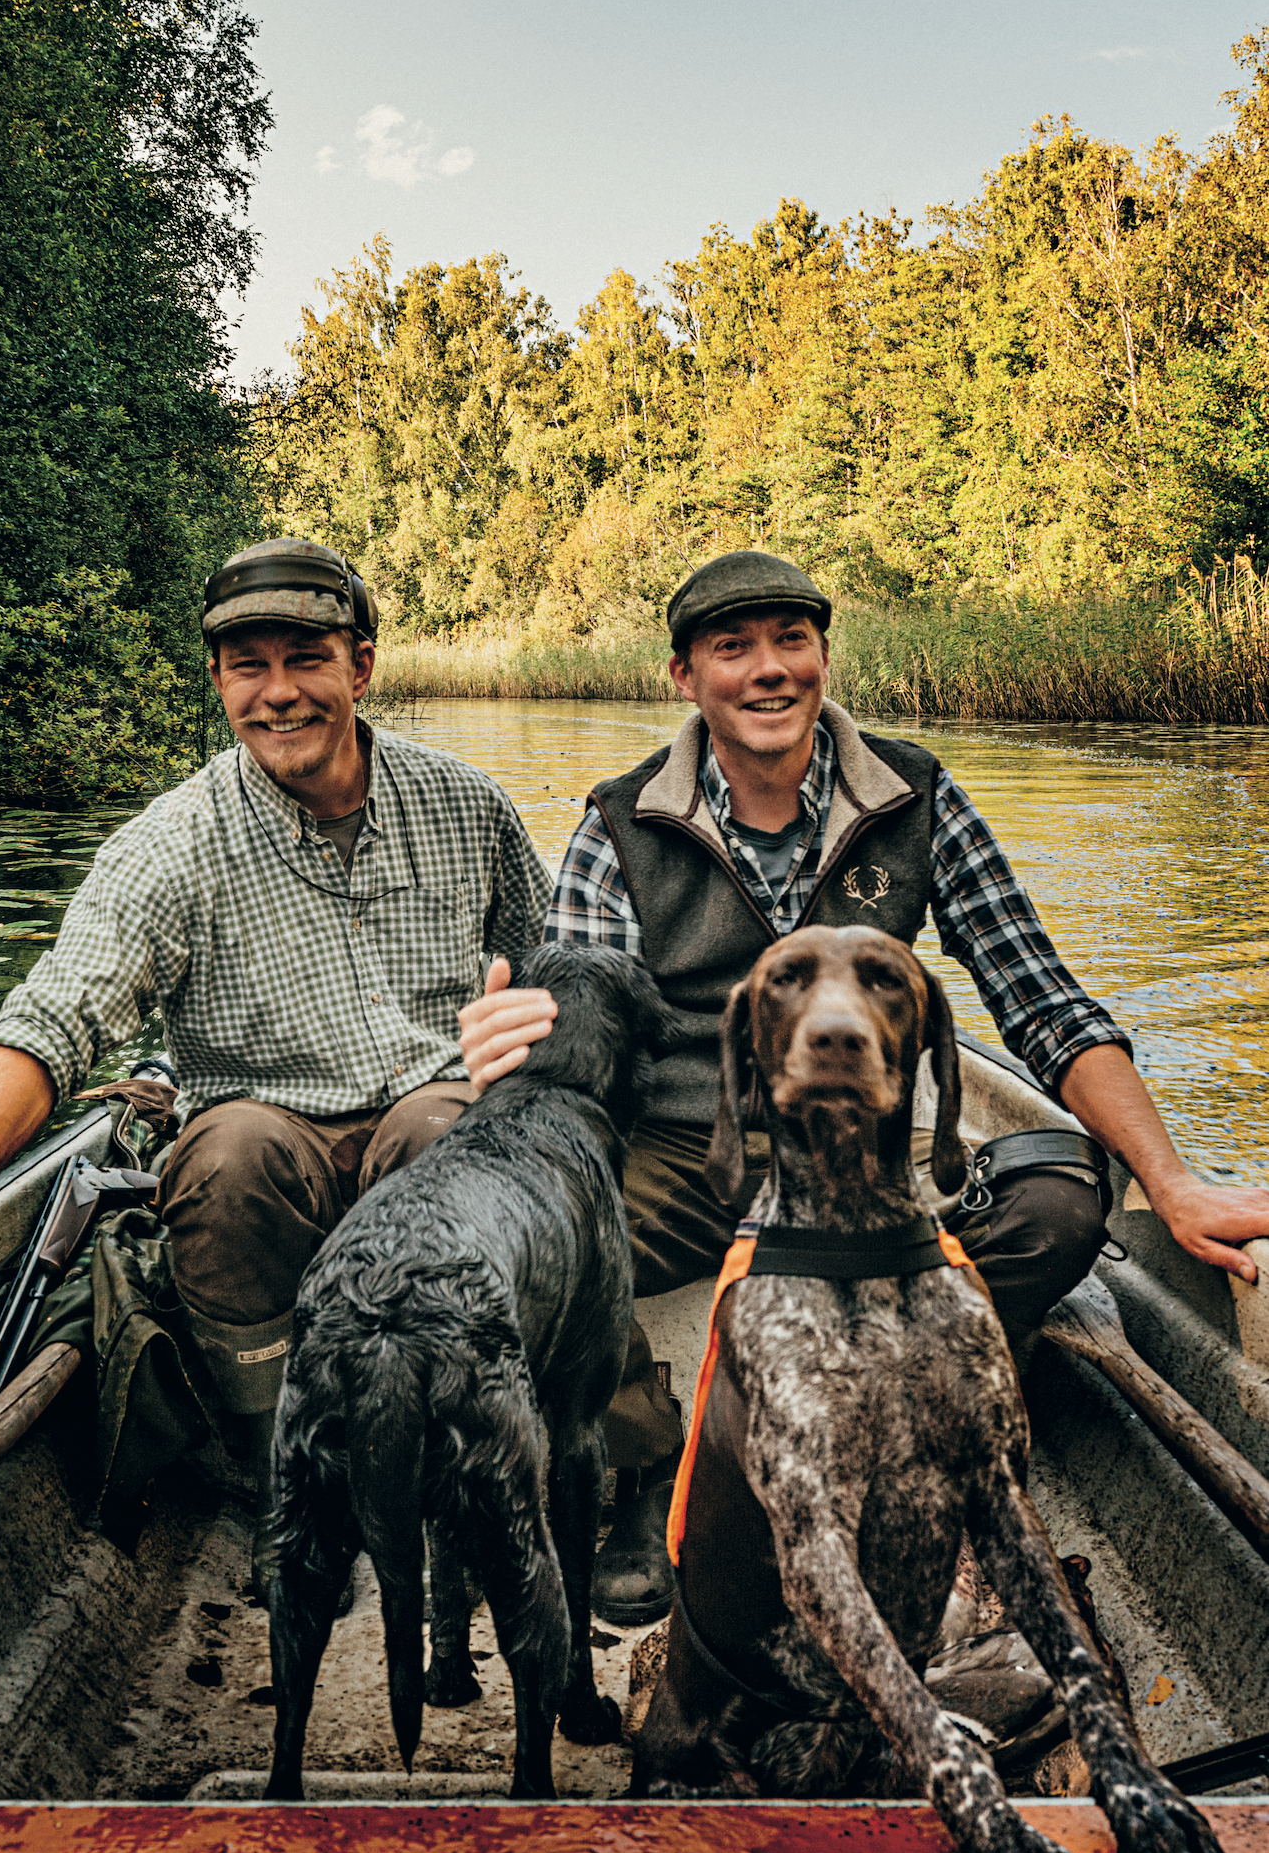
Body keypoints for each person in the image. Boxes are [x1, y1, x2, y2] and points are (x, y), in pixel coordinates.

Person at [459, 549, 1269, 1625]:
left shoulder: (916, 794)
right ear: (684, 678)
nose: (768, 671)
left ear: (823, 657)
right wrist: (519, 1049)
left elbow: (1042, 1001)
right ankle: (652, 1457)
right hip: (688, 1149)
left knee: (1064, 1205)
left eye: (791, 641)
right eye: (732, 648)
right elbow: (585, 1046)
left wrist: (1168, 1182)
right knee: (513, 1248)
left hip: (878, 1168)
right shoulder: (620, 825)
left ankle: (922, 1402)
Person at [0, 538, 550, 1589]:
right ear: (218, 681)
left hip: (427, 1111)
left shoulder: (469, 807)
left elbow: (554, 974)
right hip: (267, 1141)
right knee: (226, 1156)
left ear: (359, 665)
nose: (278, 693)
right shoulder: (170, 845)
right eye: (245, 665)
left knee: (450, 1137)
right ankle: (291, 1479)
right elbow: (52, 1019)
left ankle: (449, 1457)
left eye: (304, 657)